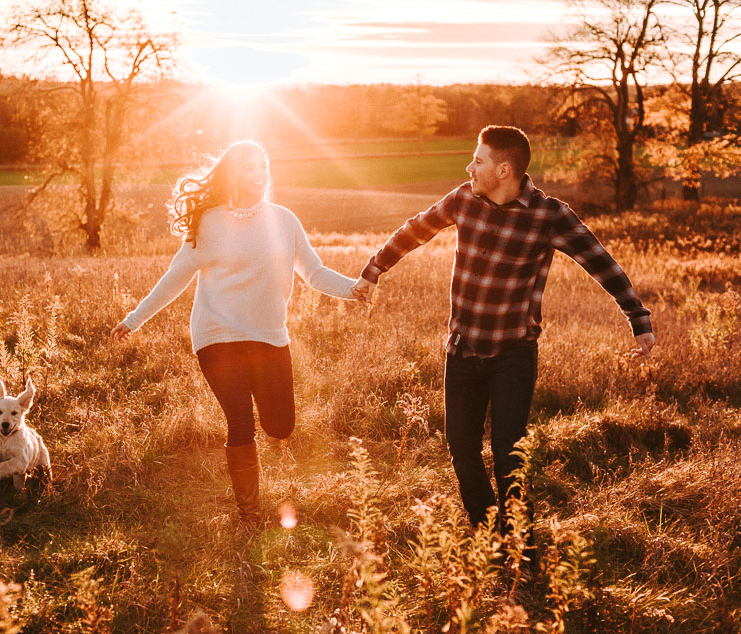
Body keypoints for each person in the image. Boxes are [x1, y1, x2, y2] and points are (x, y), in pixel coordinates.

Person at [351, 126, 656, 555]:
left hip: (513, 351)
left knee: (509, 456)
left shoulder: (550, 215)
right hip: (462, 348)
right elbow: (415, 230)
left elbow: (601, 263)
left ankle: (519, 549)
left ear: (504, 169)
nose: (469, 168)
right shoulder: (463, 200)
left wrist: (638, 319)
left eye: (477, 161)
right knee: (463, 452)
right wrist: (373, 269)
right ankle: (489, 540)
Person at [111, 140, 357, 526]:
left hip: (269, 336)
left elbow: (314, 272)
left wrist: (352, 288)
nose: (259, 173)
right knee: (240, 421)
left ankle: (253, 499)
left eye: (263, 165)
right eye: (248, 167)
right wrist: (134, 319)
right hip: (217, 336)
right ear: (231, 174)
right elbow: (174, 279)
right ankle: (249, 514)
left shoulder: (284, 220)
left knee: (280, 425)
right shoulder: (208, 223)